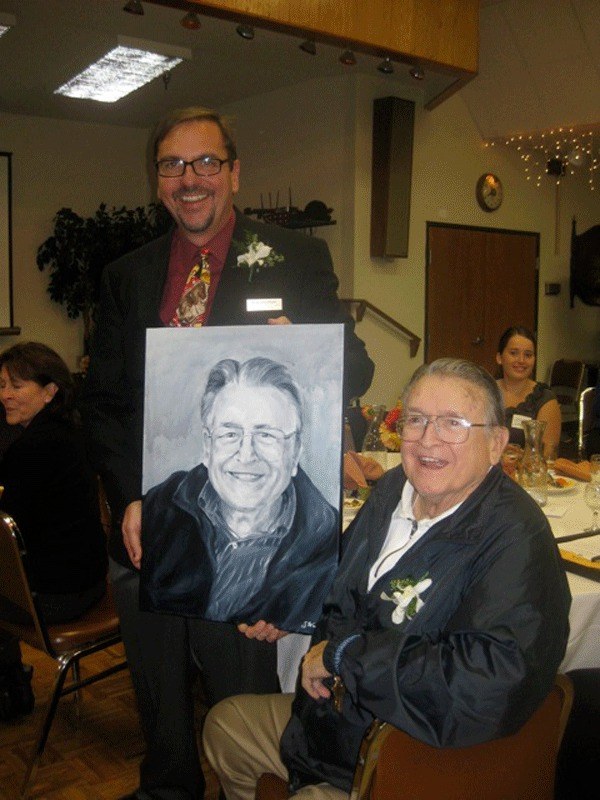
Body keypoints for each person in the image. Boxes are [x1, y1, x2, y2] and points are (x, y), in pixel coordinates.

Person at [80, 106, 373, 800]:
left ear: (234, 172)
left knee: (238, 689)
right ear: (158, 181)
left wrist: (306, 342)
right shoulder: (127, 275)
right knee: (155, 686)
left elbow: (354, 370)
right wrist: (129, 495)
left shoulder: (297, 258)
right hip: (149, 523)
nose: (190, 179)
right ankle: (169, 788)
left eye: (206, 162)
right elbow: (105, 404)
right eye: (173, 165)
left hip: (253, 534)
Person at [202, 358, 571, 800]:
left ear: (495, 443)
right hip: (340, 720)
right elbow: (345, 582)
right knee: (225, 728)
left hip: (412, 756)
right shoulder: (396, 489)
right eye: (416, 420)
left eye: (453, 423)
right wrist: (291, 609)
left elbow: (491, 682)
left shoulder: (516, 537)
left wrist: (346, 657)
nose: (428, 439)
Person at [140, 356, 338, 632]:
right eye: (230, 434)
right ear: (208, 447)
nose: (246, 456)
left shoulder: (326, 543)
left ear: (295, 453)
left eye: (267, 435)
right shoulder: (162, 506)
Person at [0, 343, 108, 718]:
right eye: (1, 386)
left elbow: (12, 539)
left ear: (49, 392)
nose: (5, 396)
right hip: (88, 578)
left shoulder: (34, 447)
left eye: (16, 386)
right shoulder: (68, 431)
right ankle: (11, 681)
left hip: (61, 594)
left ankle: (11, 688)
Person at [496, 326, 561, 458]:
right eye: (514, 353)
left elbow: (548, 455)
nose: (521, 360)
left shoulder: (545, 399)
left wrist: (519, 457)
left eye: (528, 355)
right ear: (499, 358)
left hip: (525, 475)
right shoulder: (483, 393)